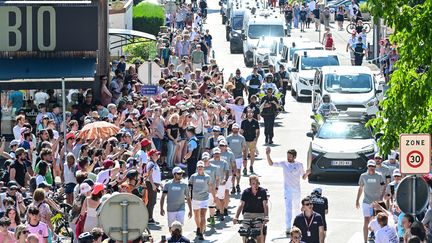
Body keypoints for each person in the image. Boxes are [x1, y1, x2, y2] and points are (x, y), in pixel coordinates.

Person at [266, 147, 310, 235]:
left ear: (294, 157)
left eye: (290, 156)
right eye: (287, 156)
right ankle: (288, 227)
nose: (288, 158)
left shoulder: (299, 165)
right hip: (288, 191)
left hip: (297, 190)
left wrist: (308, 173)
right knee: (288, 209)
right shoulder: (283, 163)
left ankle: (298, 226)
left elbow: (303, 177)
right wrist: (268, 154)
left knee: (297, 208)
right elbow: (271, 164)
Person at [356, 160, 385, 243]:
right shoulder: (363, 176)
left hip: (376, 203)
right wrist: (357, 200)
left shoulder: (379, 176)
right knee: (366, 220)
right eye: (370, 166)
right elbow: (361, 188)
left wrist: (381, 197)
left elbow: (383, 186)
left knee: (376, 220)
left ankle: (376, 238)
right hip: (366, 201)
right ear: (367, 167)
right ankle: (365, 240)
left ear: (375, 167)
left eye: (373, 166)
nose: (371, 168)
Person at [233, 175, 269, 243]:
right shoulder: (246, 192)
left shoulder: (262, 191)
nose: (255, 185)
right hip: (247, 215)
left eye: (257, 183)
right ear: (250, 184)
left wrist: (266, 216)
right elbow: (241, 204)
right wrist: (236, 217)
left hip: (259, 215)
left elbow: (265, 204)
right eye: (253, 183)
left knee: (259, 232)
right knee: (244, 233)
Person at [188, 161, 211, 240]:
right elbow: (189, 187)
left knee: (202, 215)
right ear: (197, 168)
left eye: (201, 167)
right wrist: (189, 197)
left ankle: (201, 232)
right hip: (195, 198)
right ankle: (198, 227)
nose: (200, 168)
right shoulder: (193, 177)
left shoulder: (207, 177)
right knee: (196, 215)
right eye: (199, 167)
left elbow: (210, 186)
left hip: (204, 198)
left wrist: (214, 197)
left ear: (204, 168)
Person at [226, 123, 247, 194]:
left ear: (238, 129)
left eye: (236, 129)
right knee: (232, 173)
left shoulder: (241, 138)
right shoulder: (228, 137)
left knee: (238, 172)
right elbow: (226, 147)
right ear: (232, 129)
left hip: (238, 157)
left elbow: (244, 148)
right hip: (231, 158)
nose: (235, 130)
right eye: (234, 128)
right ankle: (233, 186)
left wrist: (245, 158)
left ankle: (237, 184)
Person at [240, 109, 260, 175]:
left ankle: (251, 166)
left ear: (253, 114)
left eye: (251, 112)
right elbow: (241, 132)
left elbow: (257, 132)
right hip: (245, 140)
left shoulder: (255, 122)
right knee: (244, 155)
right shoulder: (243, 122)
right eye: (248, 112)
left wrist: (256, 140)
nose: (249, 114)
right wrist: (243, 141)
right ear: (246, 113)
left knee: (252, 154)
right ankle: (245, 168)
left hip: (252, 140)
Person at [146, 149, 162, 225]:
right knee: (151, 201)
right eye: (156, 154)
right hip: (151, 184)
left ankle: (149, 217)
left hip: (154, 184)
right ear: (152, 155)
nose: (157, 156)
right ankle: (149, 218)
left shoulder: (154, 164)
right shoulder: (151, 164)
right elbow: (149, 175)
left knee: (152, 201)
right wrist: (153, 184)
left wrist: (160, 184)